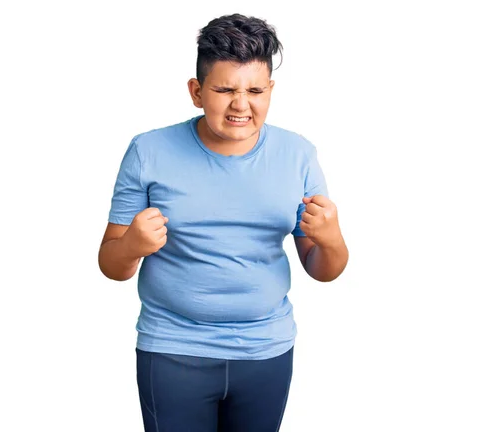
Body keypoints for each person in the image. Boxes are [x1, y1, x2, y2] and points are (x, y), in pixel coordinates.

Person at [98, 13, 349, 432]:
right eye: (224, 89)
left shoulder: (298, 155)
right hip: (172, 352)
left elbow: (323, 270)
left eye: (254, 90)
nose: (240, 104)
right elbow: (111, 265)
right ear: (197, 92)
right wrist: (132, 247)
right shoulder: (148, 151)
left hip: (266, 352)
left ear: (270, 91)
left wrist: (333, 240)